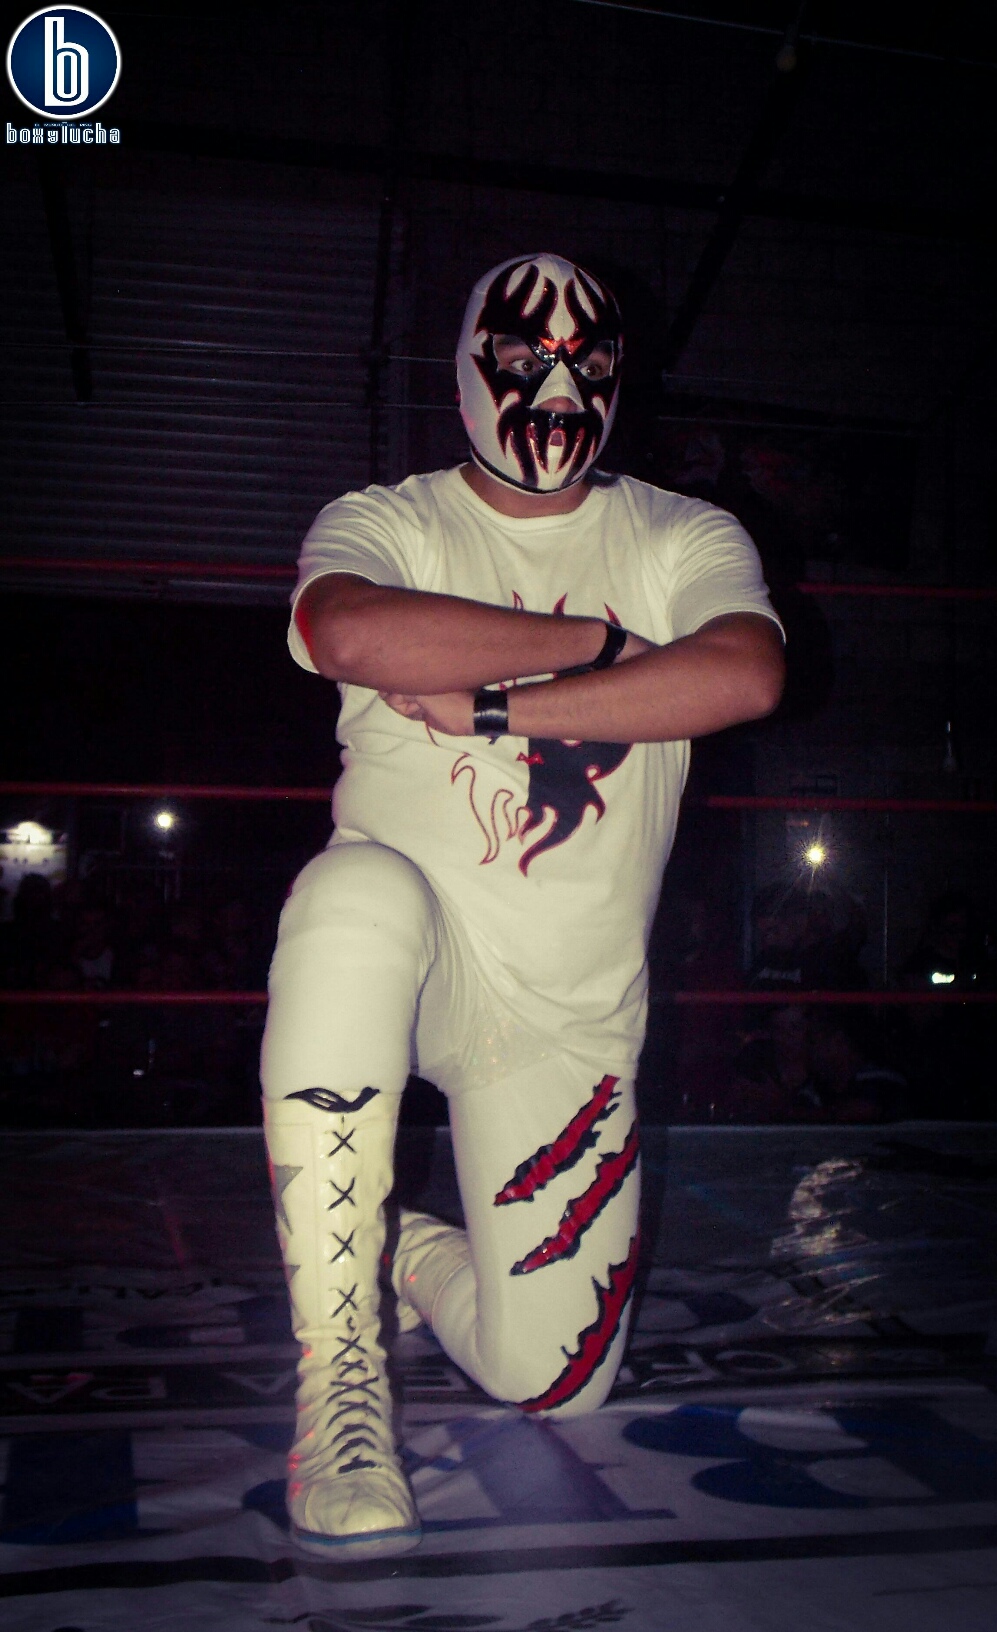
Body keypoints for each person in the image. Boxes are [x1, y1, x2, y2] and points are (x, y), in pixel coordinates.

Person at [260, 252, 785, 1559]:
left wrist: (500, 706)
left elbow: (740, 672)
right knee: (352, 900)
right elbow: (353, 634)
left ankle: (403, 1251)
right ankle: (338, 1382)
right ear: (466, 370)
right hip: (417, 956)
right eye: (523, 359)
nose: (556, 390)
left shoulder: (679, 534)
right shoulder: (386, 517)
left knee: (556, 1379)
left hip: (565, 1016)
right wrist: (603, 646)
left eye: (586, 364)